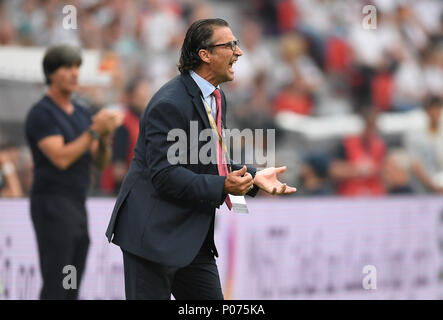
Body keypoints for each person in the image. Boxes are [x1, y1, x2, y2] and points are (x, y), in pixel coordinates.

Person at [105, 18, 297, 300]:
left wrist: (254, 177)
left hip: (191, 236)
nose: (238, 52)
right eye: (229, 45)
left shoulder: (216, 97)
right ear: (204, 55)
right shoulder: (170, 103)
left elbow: (211, 161)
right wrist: (222, 187)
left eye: (237, 44)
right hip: (152, 236)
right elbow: (165, 174)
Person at [25, 44, 121, 299]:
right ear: (51, 74)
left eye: (77, 67)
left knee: (72, 282)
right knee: (57, 280)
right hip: (52, 203)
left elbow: (99, 163)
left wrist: (103, 138)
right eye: (67, 67)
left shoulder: (81, 112)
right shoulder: (42, 113)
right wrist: (93, 131)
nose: (74, 73)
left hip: (77, 203)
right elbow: (61, 158)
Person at [100, 78, 151, 194]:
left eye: (146, 97)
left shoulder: (143, 122)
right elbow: (118, 170)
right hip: (121, 191)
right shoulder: (123, 124)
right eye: (141, 97)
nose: (145, 101)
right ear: (130, 97)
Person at [329, 108, 386, 196]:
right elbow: (334, 170)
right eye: (369, 125)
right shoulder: (347, 144)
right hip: (350, 196)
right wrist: (358, 170)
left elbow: (387, 172)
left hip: (374, 196)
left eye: (373, 126)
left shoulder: (380, 145)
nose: (371, 130)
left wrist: (376, 170)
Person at [405, 96, 443, 193]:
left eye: (438, 109)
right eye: (433, 109)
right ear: (427, 111)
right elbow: (415, 163)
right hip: (422, 188)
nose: (436, 113)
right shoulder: (416, 135)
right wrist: (432, 185)